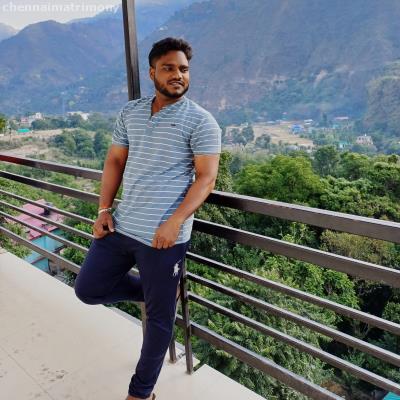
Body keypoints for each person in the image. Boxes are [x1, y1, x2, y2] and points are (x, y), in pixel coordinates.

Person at [74, 37, 221, 400]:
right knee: (87, 289)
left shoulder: (201, 121)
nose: (178, 75)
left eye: (184, 69)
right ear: (152, 72)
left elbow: (206, 179)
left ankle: (140, 393)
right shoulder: (131, 112)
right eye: (169, 68)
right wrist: (104, 209)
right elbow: (115, 161)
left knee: (158, 321)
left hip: (163, 238)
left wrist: (175, 221)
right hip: (122, 225)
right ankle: (159, 293)